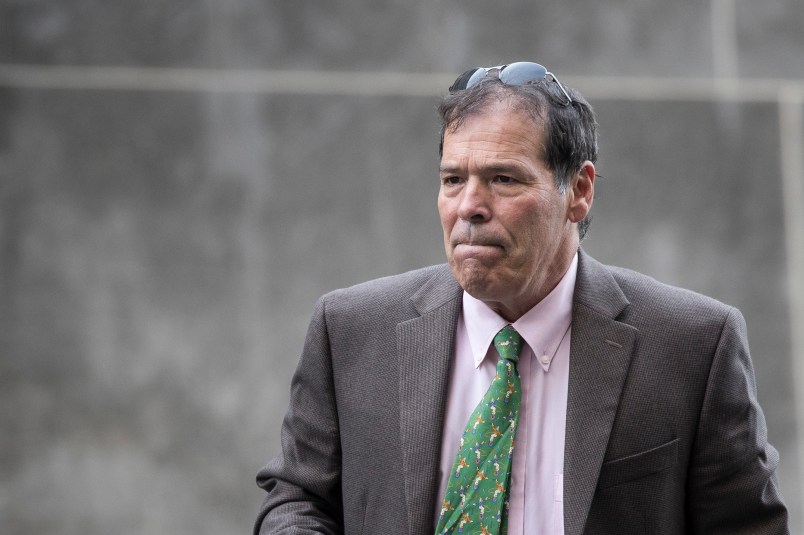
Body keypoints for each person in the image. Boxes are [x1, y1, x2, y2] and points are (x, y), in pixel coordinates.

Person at [254, 61, 789, 534]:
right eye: (452, 179)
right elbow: (298, 500)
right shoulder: (349, 330)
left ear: (579, 191)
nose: (469, 206)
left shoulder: (693, 345)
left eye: (504, 179)